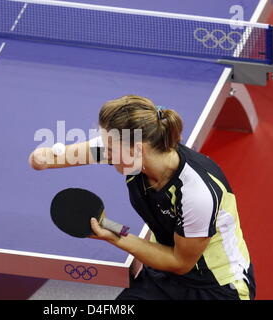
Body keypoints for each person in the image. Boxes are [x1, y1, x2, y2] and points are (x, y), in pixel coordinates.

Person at [28, 95, 256, 300]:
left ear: (139, 149)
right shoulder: (131, 156)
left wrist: (114, 237)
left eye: (109, 147)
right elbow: (55, 157)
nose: (104, 152)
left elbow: (180, 262)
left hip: (216, 289)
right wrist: (43, 158)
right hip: (163, 277)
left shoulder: (197, 194)